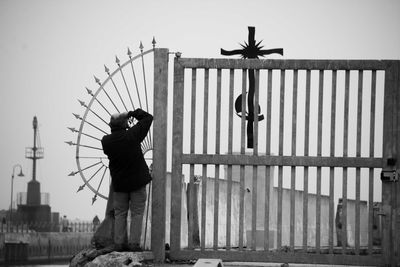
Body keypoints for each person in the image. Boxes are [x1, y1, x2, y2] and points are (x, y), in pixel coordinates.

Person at [101, 108, 153, 252]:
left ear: (111, 125)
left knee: (120, 214)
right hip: (137, 182)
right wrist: (133, 113)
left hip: (119, 184)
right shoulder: (132, 135)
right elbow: (148, 118)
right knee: (137, 214)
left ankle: (119, 244)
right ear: (125, 124)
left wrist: (124, 119)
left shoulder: (106, 141)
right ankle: (134, 244)